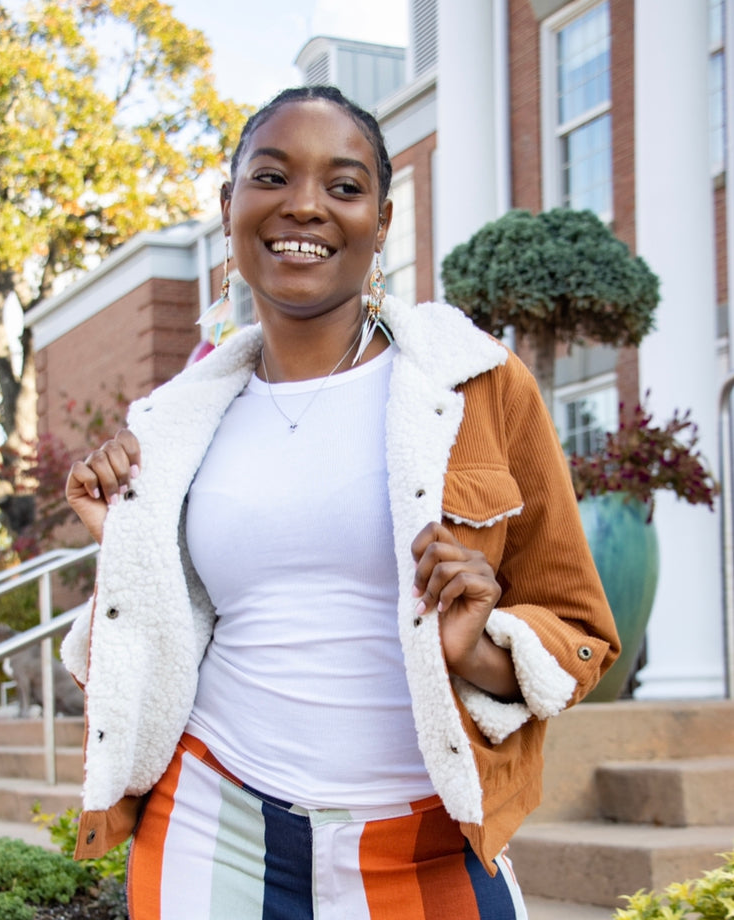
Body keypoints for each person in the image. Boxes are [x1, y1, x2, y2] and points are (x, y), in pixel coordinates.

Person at [63, 85, 619, 920]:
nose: (306, 206)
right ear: (230, 207)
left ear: (383, 221)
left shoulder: (475, 386)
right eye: (273, 177)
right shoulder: (174, 423)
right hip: (211, 827)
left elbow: (579, 631)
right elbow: (158, 638)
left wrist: (476, 650)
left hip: (426, 840)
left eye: (345, 186)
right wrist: (126, 545)